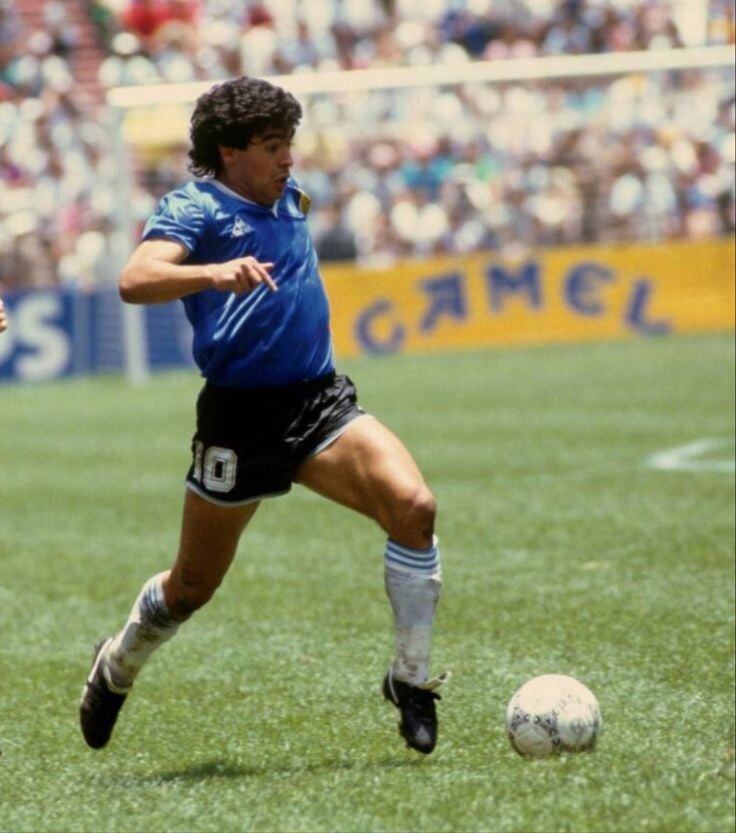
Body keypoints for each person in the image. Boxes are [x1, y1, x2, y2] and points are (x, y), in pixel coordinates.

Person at [79, 76, 449, 756]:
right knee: (192, 587)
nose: (287, 158)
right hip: (238, 420)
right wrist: (215, 273)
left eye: (289, 143)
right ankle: (117, 664)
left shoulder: (291, 196)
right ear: (230, 152)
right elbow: (134, 279)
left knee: (414, 507)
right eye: (273, 145)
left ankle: (411, 679)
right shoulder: (195, 209)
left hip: (319, 402)